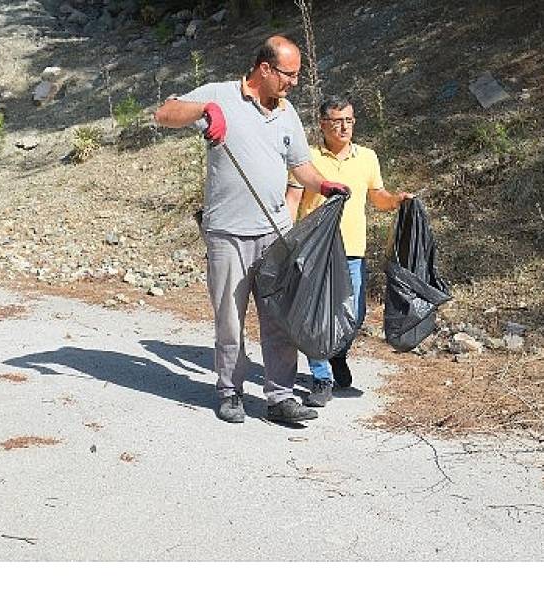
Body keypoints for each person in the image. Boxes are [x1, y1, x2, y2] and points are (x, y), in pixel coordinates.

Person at [154, 36, 349, 424]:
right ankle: (229, 391)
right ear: (265, 69)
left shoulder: (287, 111)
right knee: (230, 319)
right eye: (289, 74)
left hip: (275, 232)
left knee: (279, 318)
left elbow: (301, 165)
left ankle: (279, 396)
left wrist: (324, 186)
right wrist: (206, 110)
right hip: (227, 233)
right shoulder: (221, 95)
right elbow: (164, 113)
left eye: (297, 75)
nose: (294, 82)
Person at [285, 95, 412, 407]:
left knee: (353, 315)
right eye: (337, 121)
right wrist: (286, 242)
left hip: (353, 250)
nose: (344, 127)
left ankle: (337, 353)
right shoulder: (306, 159)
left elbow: (377, 196)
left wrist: (397, 200)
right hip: (316, 251)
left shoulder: (367, 157)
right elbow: (292, 200)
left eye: (349, 120)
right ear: (322, 124)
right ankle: (321, 377)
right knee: (317, 317)